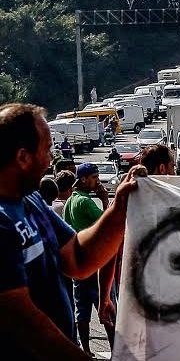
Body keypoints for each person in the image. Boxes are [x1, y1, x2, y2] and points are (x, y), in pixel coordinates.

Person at [0, 102, 141, 360]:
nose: (51, 160)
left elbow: (78, 257)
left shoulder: (31, 200)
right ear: (22, 157)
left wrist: (120, 208)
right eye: (47, 150)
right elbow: (21, 322)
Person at [63, 163, 116, 355]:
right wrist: (104, 200)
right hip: (94, 265)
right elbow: (107, 225)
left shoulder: (70, 201)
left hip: (79, 265)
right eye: (94, 177)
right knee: (107, 308)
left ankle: (86, 350)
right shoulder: (85, 202)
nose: (97, 180)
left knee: (82, 310)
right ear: (83, 179)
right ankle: (115, 351)